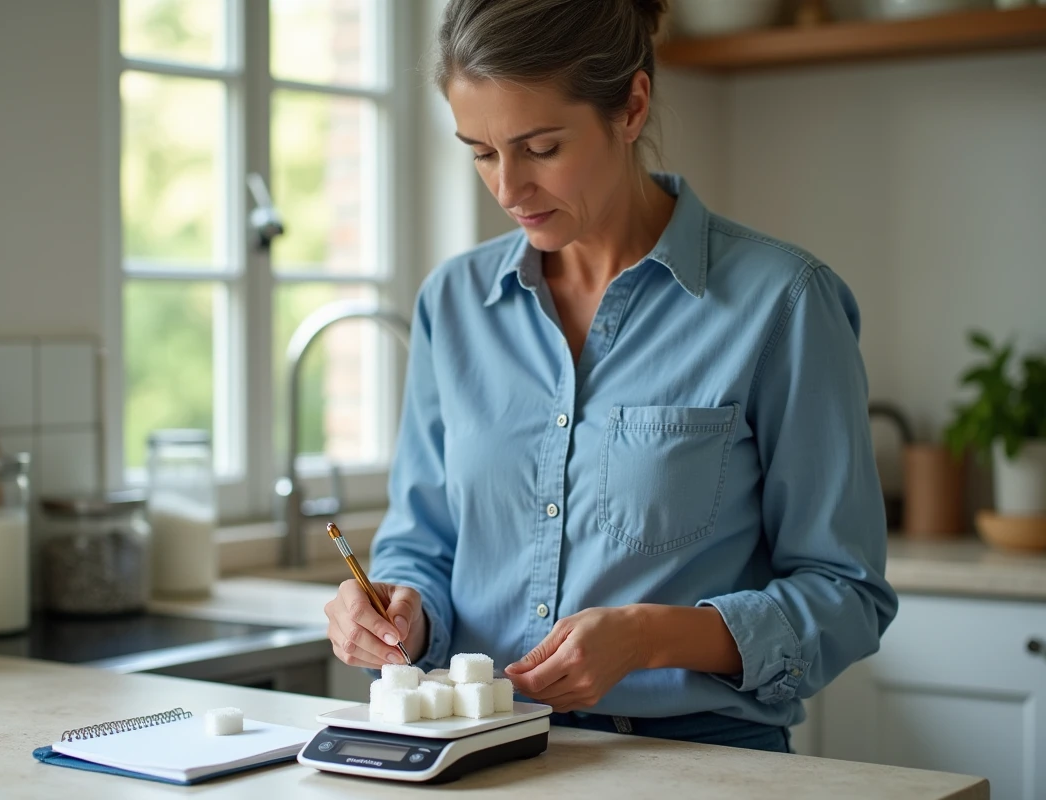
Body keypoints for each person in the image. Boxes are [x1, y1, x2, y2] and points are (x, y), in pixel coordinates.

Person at [323, 0, 897, 754]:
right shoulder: (452, 304)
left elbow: (846, 593)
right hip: (479, 751)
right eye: (482, 153)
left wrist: (650, 636)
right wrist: (401, 610)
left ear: (631, 106)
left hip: (696, 761)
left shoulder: (782, 303)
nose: (508, 189)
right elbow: (423, 542)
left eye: (541, 147)